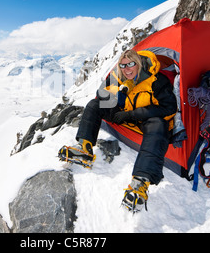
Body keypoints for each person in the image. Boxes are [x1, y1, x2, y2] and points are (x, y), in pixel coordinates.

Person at [58, 49, 177, 212]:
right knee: (94, 105)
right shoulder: (121, 77)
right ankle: (84, 148)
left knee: (159, 125)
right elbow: (101, 97)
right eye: (122, 65)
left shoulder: (156, 80)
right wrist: (114, 100)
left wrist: (131, 114)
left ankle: (140, 183)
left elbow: (169, 108)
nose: (126, 69)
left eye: (131, 64)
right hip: (128, 115)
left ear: (139, 63)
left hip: (147, 119)